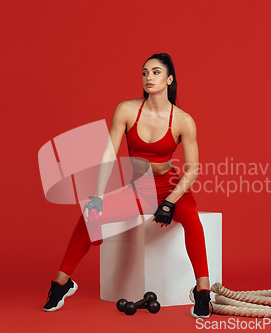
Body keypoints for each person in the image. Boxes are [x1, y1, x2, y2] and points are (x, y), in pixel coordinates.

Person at [43, 53, 212, 318]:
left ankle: (202, 292)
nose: (148, 77)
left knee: (190, 215)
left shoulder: (183, 120)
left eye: (156, 72)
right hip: (139, 188)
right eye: (145, 72)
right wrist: (97, 197)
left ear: (169, 79)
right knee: (90, 215)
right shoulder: (126, 110)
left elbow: (193, 170)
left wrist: (170, 201)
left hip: (170, 186)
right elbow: (108, 155)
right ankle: (61, 284)